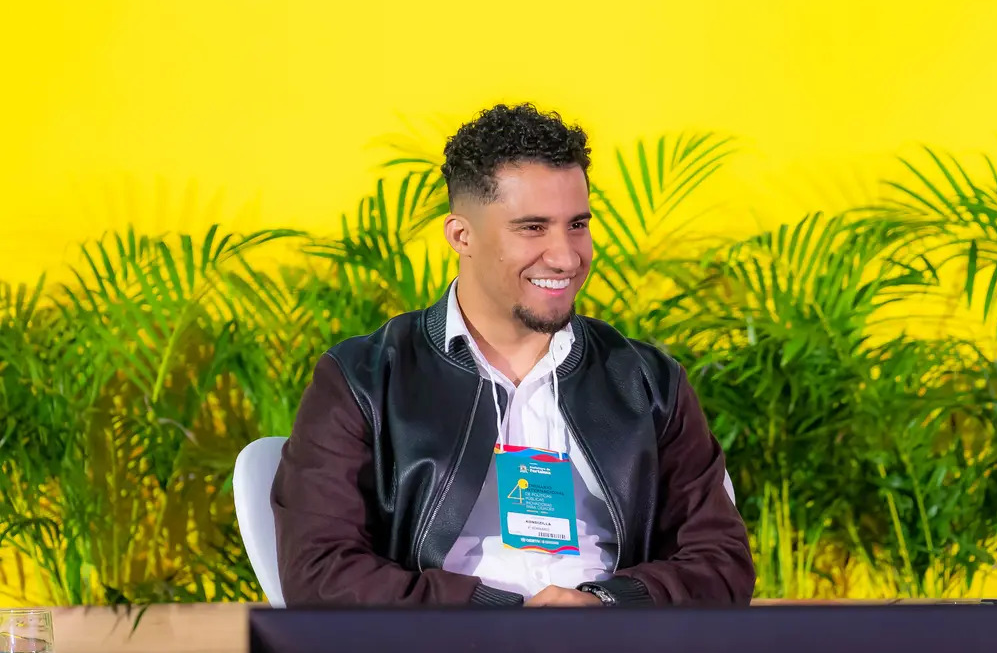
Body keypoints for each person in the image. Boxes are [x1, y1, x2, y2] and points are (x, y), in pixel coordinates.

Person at [271, 103, 755, 607]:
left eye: (578, 224)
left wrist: (608, 602)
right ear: (461, 236)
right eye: (532, 228)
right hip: (445, 643)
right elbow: (321, 571)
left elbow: (720, 561)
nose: (566, 257)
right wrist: (495, 613)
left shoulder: (648, 382)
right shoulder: (364, 380)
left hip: (610, 642)